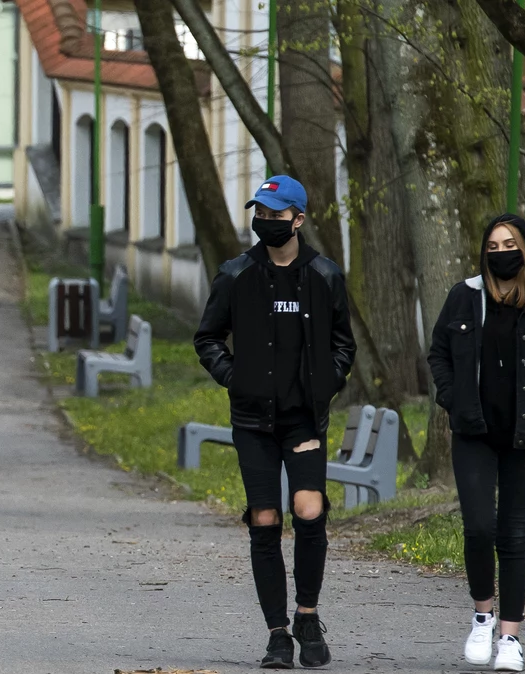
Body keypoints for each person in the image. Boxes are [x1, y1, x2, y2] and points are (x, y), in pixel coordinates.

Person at [194, 175, 355, 669]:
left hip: (303, 419)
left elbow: (343, 344)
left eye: (276, 216)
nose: (266, 223)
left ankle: (308, 615)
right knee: (264, 519)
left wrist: (323, 385)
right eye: (260, 214)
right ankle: (277, 634)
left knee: (309, 510)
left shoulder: (324, 276)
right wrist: (234, 377)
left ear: (298, 219)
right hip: (252, 420)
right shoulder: (236, 274)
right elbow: (208, 338)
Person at [427, 214, 525, 672]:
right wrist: (452, 398)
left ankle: (510, 638)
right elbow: (438, 351)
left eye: (509, 244)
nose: (500, 253)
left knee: (513, 534)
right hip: (473, 433)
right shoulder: (464, 297)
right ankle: (482, 616)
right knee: (478, 527)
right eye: (492, 246)